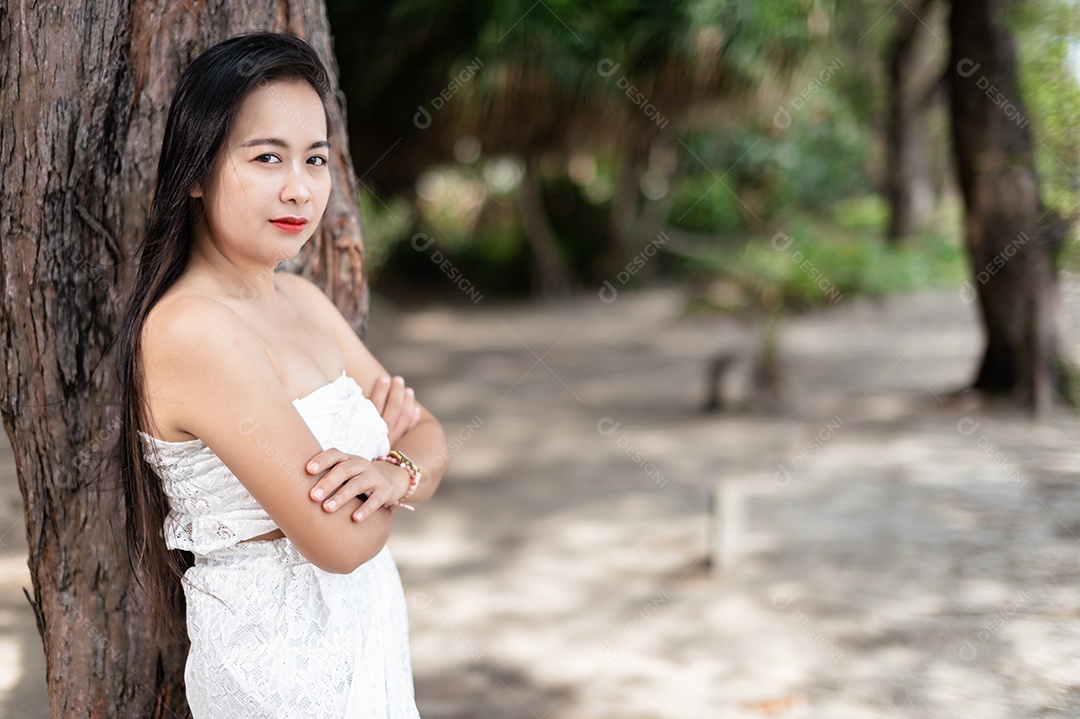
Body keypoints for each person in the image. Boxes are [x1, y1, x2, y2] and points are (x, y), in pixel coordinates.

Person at [115, 32, 447, 717]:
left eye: (315, 159)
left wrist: (391, 474)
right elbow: (338, 540)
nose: (299, 187)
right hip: (279, 669)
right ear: (197, 173)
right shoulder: (191, 330)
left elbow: (428, 430)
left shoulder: (301, 299)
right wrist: (404, 470)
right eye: (267, 157)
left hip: (366, 638)